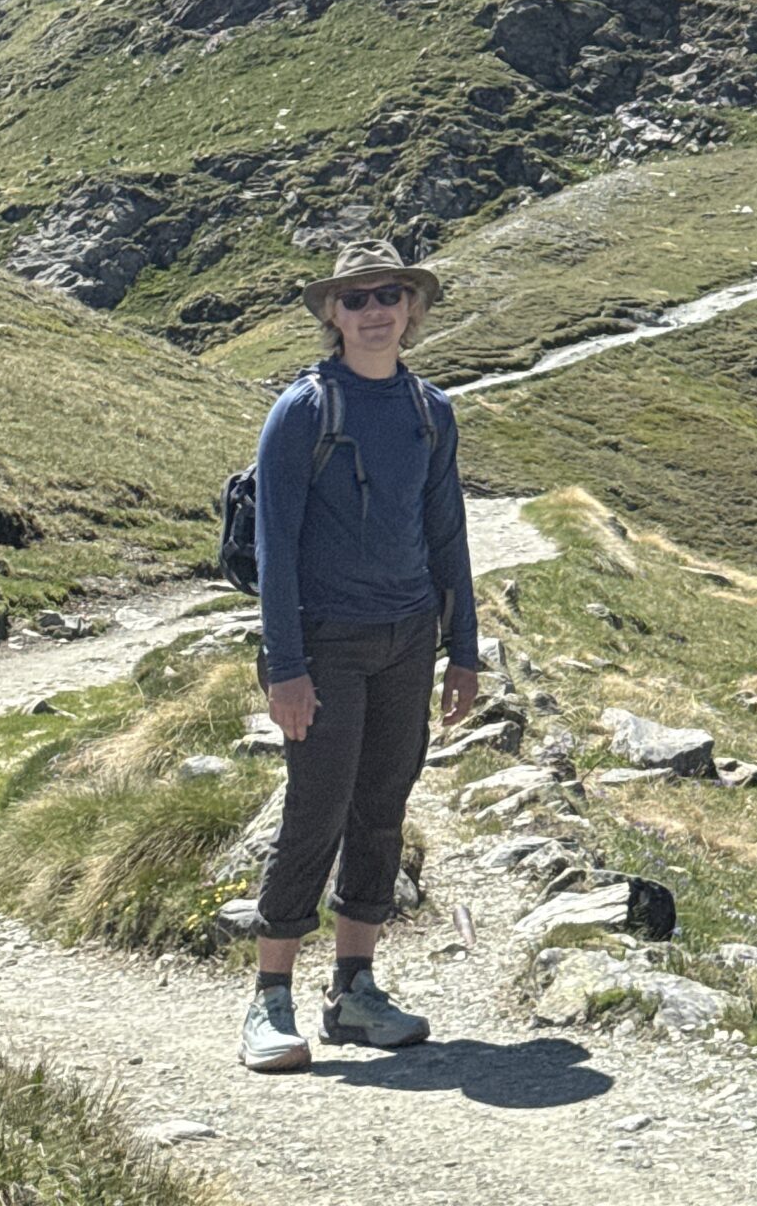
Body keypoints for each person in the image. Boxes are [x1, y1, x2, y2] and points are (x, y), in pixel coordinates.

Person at [238, 240, 481, 1074]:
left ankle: (354, 993)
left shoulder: (430, 410)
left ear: (412, 310)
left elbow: (447, 532)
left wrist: (466, 652)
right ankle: (269, 1000)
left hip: (409, 637)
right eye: (356, 299)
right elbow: (275, 548)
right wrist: (286, 667)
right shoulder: (304, 409)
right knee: (317, 807)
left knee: (382, 804)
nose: (374, 310)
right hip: (326, 645)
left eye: (389, 295)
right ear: (331, 315)